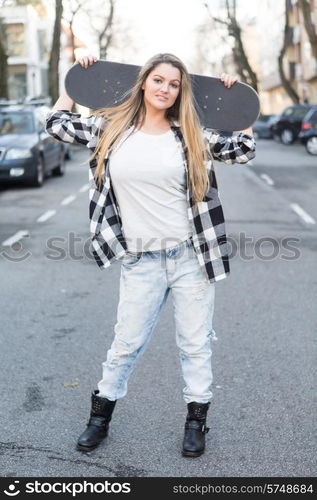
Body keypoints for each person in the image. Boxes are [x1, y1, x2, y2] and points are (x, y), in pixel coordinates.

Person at [45, 52, 256, 458]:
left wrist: (238, 104)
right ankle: (99, 420)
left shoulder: (189, 134)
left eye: (174, 84)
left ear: (180, 92)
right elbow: (56, 124)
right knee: (125, 344)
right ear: (144, 83)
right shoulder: (111, 129)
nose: (165, 89)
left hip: (190, 257)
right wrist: (70, 86)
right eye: (158, 80)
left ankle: (196, 423)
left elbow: (242, 149)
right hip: (140, 260)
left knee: (195, 345)